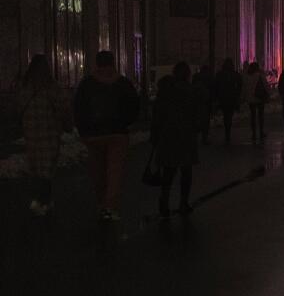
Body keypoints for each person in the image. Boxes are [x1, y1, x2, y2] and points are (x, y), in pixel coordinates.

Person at [74, 50, 139, 221]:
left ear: (97, 64)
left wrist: (83, 129)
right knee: (114, 171)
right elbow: (134, 106)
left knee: (98, 170)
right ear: (113, 63)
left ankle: (101, 201)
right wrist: (125, 123)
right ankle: (110, 207)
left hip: (93, 134)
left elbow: (79, 107)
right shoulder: (122, 83)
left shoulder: (87, 84)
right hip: (117, 133)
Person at [18, 54, 73, 216]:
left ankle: (39, 199)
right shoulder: (51, 87)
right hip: (49, 132)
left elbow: (18, 108)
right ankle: (43, 201)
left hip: (31, 133)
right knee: (47, 168)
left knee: (36, 166)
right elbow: (63, 107)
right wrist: (67, 123)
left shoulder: (25, 87)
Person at [151, 62, 200, 218]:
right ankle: (183, 202)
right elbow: (196, 114)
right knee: (186, 171)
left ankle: (164, 201)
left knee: (168, 171)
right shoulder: (190, 91)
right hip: (186, 135)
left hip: (168, 135)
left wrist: (155, 134)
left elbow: (157, 114)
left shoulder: (165, 91)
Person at [214, 58, 243, 145]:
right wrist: (237, 94)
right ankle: (228, 132)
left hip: (223, 97)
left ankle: (227, 132)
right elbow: (240, 84)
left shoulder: (220, 74)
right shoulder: (235, 74)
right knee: (229, 115)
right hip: (231, 98)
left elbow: (216, 86)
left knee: (226, 114)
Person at [242, 61, 269, 144]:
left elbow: (244, 87)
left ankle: (254, 133)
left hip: (251, 99)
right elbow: (265, 85)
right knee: (260, 115)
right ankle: (261, 131)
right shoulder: (260, 75)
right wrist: (268, 94)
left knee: (253, 116)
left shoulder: (246, 76)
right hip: (259, 98)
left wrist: (244, 96)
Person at [191, 64, 213, 145]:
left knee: (197, 119)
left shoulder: (196, 77)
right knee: (205, 121)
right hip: (206, 101)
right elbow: (212, 88)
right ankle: (204, 137)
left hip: (197, 102)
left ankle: (196, 137)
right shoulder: (209, 77)